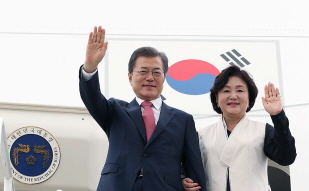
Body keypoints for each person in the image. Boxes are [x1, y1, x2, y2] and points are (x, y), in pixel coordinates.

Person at [79, 26, 207, 191]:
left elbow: (194, 170)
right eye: (143, 71)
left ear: (164, 78)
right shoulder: (114, 110)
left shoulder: (183, 120)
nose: (149, 78)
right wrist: (90, 67)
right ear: (130, 77)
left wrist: (185, 180)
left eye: (156, 72)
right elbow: (92, 97)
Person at [182, 65, 296, 191]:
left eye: (240, 90)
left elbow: (286, 158)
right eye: (226, 91)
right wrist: (184, 180)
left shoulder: (263, 130)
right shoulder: (202, 135)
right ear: (216, 97)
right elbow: (186, 168)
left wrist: (277, 115)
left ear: (249, 97)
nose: (233, 96)